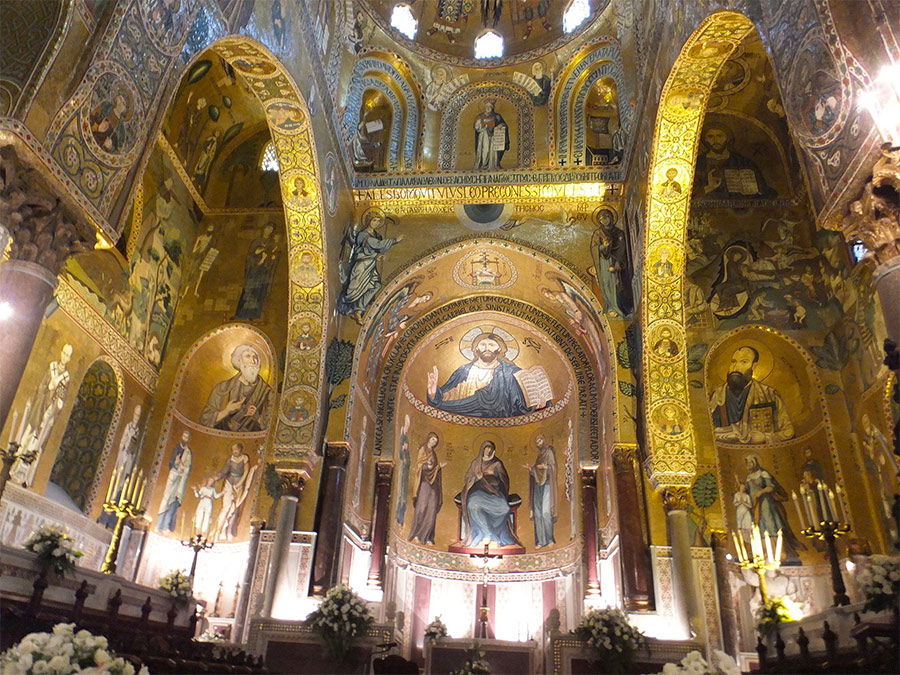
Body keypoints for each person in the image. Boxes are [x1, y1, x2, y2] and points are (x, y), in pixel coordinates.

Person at [427, 332, 545, 418]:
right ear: (476, 348)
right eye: (483, 344)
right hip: (465, 418)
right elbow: (445, 397)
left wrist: (537, 405)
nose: (487, 348)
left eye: (491, 345)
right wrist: (433, 393)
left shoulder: (511, 372)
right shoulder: (463, 371)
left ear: (499, 348)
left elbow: (520, 404)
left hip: (504, 424)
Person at [12, 344, 74, 486]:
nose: (65, 357)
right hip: (40, 407)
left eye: (67, 355)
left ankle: (27, 476)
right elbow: (42, 386)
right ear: (61, 352)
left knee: (38, 440)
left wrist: (58, 403)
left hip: (49, 413)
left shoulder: (66, 376)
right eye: (64, 353)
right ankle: (15, 464)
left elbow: (62, 396)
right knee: (28, 432)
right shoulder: (52, 366)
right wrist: (48, 389)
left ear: (70, 358)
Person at [710, 346, 794, 444]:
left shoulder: (769, 394)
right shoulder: (718, 395)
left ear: (753, 366)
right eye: (733, 361)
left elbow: (788, 431)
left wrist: (765, 437)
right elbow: (706, 430)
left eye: (744, 362)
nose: (736, 367)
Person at [337, 211, 401, 321]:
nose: (376, 223)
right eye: (374, 220)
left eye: (378, 221)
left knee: (376, 285)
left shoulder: (377, 235)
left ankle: (359, 309)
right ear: (368, 221)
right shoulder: (363, 234)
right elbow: (374, 244)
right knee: (355, 289)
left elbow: (378, 247)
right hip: (361, 265)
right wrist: (394, 240)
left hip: (370, 265)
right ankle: (353, 307)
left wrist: (378, 256)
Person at [743, 454, 803, 562]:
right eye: (747, 463)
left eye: (750, 462)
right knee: (759, 525)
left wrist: (760, 492)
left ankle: (779, 552)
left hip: (766, 502)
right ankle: (765, 552)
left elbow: (771, 487)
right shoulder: (748, 478)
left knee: (770, 523)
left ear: (755, 462)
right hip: (755, 504)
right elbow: (746, 490)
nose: (748, 465)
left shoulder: (763, 473)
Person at [460, 441, 520, 547]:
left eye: (490, 448)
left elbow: (504, 479)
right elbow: (468, 477)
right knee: (472, 504)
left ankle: (495, 533)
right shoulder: (476, 463)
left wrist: (495, 481)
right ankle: (484, 533)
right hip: (478, 491)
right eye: (486, 448)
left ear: (493, 450)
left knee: (504, 508)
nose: (488, 451)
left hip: (495, 491)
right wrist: (476, 478)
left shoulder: (497, 463)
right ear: (482, 449)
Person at [199, 344, 272, 432]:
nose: (253, 361)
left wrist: (257, 417)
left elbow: (272, 425)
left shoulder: (267, 391)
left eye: (255, 357)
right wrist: (226, 411)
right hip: (222, 437)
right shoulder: (223, 388)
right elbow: (205, 419)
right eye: (248, 356)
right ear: (239, 360)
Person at [694, 126, 775, 198]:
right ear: (705, 139)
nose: (715, 140)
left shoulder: (743, 162)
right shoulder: (697, 162)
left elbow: (763, 190)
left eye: (719, 136)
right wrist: (709, 187)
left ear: (727, 138)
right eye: (710, 136)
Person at [234, 223, 278, 320]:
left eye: (271, 229)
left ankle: (255, 315)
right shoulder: (256, 241)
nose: (269, 231)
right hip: (254, 270)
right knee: (249, 290)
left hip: (264, 271)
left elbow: (273, 256)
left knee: (259, 291)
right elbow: (250, 255)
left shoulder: (272, 243)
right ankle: (241, 314)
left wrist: (271, 258)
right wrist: (258, 258)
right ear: (264, 229)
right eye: (267, 228)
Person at [213, 443, 256, 541]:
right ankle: (218, 530)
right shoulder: (230, 459)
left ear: (240, 450)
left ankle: (228, 531)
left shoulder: (245, 458)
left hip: (238, 485)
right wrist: (216, 477)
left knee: (234, 508)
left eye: (236, 449)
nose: (234, 451)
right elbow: (225, 471)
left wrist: (240, 483)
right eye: (233, 450)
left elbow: (246, 471)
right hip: (229, 483)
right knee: (225, 507)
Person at [409, 432, 444, 545]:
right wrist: (428, 466)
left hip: (433, 485)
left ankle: (428, 536)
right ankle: (417, 534)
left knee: (432, 509)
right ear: (429, 439)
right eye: (433, 439)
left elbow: (434, 468)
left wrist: (438, 467)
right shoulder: (423, 449)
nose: (434, 442)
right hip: (423, 482)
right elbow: (419, 465)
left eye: (436, 441)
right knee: (422, 508)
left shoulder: (434, 454)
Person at [158, 431, 192, 533]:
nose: (185, 439)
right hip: (173, 475)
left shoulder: (188, 452)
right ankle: (159, 524)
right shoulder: (176, 448)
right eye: (184, 436)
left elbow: (188, 468)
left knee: (175, 501)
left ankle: (167, 525)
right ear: (181, 437)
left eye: (187, 437)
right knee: (166, 498)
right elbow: (171, 462)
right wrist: (175, 463)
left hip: (181, 479)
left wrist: (181, 465)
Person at [528, 434, 556, 547]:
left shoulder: (549, 452)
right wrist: (531, 469)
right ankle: (540, 541)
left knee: (545, 512)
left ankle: (549, 539)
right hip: (537, 485)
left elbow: (553, 467)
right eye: (537, 441)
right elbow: (536, 471)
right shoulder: (539, 456)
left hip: (547, 484)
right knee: (538, 513)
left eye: (540, 440)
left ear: (544, 440)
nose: (538, 443)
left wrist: (546, 468)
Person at [473, 101, 508, 170]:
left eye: (490, 107)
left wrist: (501, 125)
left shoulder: (497, 116)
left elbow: (503, 124)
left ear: (493, 108)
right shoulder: (480, 116)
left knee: (493, 150)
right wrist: (480, 125)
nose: (488, 108)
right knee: (485, 150)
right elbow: (476, 127)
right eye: (487, 106)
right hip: (484, 135)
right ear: (485, 107)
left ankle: (494, 164)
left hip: (494, 136)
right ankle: (484, 165)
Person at [112, 404, 142, 476]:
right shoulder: (128, 426)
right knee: (119, 469)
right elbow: (123, 438)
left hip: (130, 455)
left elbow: (137, 446)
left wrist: (132, 453)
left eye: (138, 415)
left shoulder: (138, 430)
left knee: (125, 473)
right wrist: (122, 448)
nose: (136, 417)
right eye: (136, 414)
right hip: (124, 452)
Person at [395, 415, 412, 526]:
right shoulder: (402, 439)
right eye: (406, 425)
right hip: (401, 472)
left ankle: (401, 518)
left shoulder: (405, 441)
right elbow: (401, 457)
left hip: (405, 474)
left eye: (408, 426)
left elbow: (408, 461)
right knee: (400, 494)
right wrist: (403, 452)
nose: (407, 427)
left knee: (404, 496)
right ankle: (398, 517)